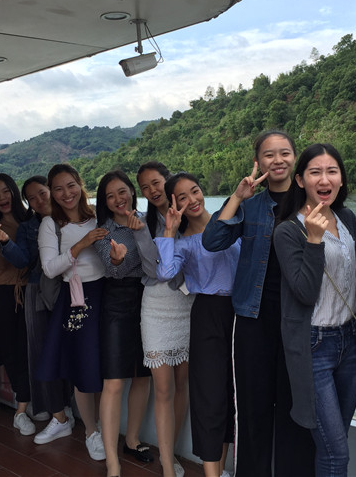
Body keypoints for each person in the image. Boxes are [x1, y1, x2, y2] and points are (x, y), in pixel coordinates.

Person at [202, 131, 315, 477]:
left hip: (299, 320)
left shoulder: (312, 203)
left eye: (285, 153)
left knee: (296, 408)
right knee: (252, 408)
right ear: (258, 161)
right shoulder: (250, 204)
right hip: (253, 317)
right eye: (269, 154)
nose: (277, 160)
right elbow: (212, 241)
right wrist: (237, 196)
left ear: (295, 158)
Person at [273, 143, 356, 477]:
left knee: (335, 441)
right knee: (335, 453)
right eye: (315, 172)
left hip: (351, 342)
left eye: (332, 171)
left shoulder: (347, 219)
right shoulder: (288, 231)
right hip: (314, 347)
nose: (324, 179)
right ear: (300, 180)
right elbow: (303, 292)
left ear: (341, 179)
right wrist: (314, 241)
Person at [154, 172, 240, 477]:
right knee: (210, 395)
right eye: (182, 197)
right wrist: (169, 230)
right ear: (173, 204)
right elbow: (165, 273)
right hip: (208, 315)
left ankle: (223, 469)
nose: (192, 200)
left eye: (195, 191)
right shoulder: (183, 243)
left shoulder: (233, 224)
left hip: (242, 313)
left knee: (233, 395)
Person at [0, 176, 74, 438]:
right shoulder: (29, 227)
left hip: (72, 289)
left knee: (70, 348)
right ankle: (55, 409)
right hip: (39, 291)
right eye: (32, 198)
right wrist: (6, 243)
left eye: (42, 193)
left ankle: (67, 405)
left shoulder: (74, 217)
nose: (39, 201)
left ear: (52, 190)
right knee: (42, 351)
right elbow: (23, 261)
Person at [127, 162, 193, 477]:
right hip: (156, 306)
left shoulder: (192, 215)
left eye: (156, 183)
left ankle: (172, 453)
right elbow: (156, 270)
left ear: (168, 181)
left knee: (182, 385)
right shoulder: (142, 222)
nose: (152, 191)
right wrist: (144, 236)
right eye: (145, 187)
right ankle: (166, 465)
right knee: (164, 388)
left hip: (189, 305)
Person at [37, 164, 107, 457]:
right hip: (77, 298)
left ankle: (104, 426)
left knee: (105, 366)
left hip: (108, 294)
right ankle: (91, 432)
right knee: (83, 366)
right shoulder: (50, 224)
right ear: (52, 193)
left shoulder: (99, 216)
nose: (67, 193)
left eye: (71, 185)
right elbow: (50, 268)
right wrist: (81, 245)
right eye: (58, 189)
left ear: (80, 184)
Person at [93, 170, 153, 477]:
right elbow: (113, 269)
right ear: (104, 202)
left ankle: (132, 440)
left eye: (122, 191)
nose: (118, 199)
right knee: (114, 381)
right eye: (110, 196)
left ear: (132, 191)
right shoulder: (104, 231)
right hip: (116, 301)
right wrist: (118, 259)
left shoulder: (149, 220)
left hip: (148, 299)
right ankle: (112, 460)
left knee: (142, 376)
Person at [0, 173, 35, 436]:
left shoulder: (31, 220)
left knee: (33, 349)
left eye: (5, 191)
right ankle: (21, 410)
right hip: (3, 293)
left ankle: (38, 401)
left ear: (14, 191)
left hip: (31, 292)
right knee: (12, 351)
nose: (1, 198)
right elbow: (1, 266)